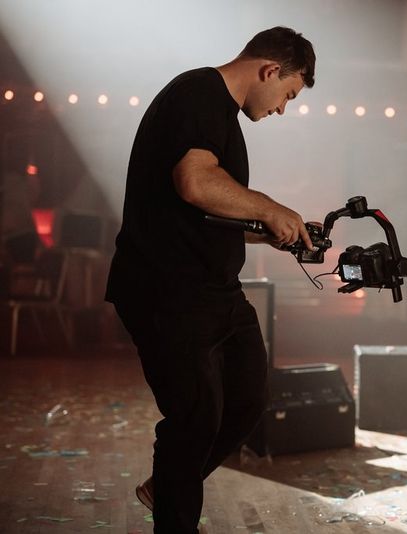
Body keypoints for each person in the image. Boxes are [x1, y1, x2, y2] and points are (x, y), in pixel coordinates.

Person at [105, 27, 316, 533]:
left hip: (215, 291)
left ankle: (168, 485)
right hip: (167, 290)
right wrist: (270, 207)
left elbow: (209, 212)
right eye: (287, 94)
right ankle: (176, 516)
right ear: (270, 70)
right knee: (196, 417)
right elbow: (196, 183)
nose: (282, 109)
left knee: (246, 402)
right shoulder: (196, 93)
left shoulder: (222, 116)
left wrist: (273, 231)